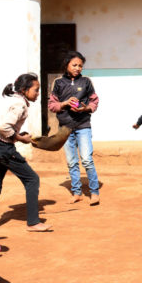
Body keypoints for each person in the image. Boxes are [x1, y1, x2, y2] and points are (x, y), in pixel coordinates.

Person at [0, 73, 52, 231]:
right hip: (4, 148)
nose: (38, 93)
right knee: (32, 179)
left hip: (1, 147)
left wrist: (18, 135)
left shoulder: (9, 100)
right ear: (24, 90)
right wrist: (20, 138)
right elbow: (3, 127)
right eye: (36, 90)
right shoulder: (19, 104)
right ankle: (34, 222)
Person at [49, 51, 101, 205]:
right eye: (74, 65)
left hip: (83, 125)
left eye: (80, 66)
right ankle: (77, 192)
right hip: (65, 128)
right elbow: (52, 105)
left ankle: (94, 192)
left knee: (86, 160)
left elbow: (95, 101)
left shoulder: (86, 82)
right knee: (71, 161)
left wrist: (85, 109)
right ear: (66, 65)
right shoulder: (58, 83)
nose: (78, 68)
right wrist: (64, 104)